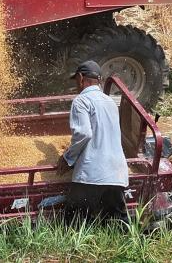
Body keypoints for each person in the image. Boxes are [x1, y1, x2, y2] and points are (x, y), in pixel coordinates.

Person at [55, 60, 129, 224]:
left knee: (74, 223)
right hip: (116, 173)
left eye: (76, 81)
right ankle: (135, 247)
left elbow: (83, 133)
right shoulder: (110, 102)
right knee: (118, 224)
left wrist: (68, 158)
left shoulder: (81, 101)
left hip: (92, 175)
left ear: (81, 78)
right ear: (100, 80)